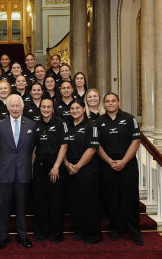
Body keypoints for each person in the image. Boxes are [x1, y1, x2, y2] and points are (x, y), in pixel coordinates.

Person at [96, 93, 143, 246]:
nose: (110, 103)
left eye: (113, 101)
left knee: (130, 198)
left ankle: (134, 231)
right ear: (104, 104)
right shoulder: (98, 122)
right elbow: (97, 146)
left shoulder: (129, 119)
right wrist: (110, 162)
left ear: (118, 102)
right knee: (111, 199)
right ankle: (115, 229)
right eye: (107, 101)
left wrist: (123, 161)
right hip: (107, 166)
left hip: (127, 165)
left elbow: (136, 141)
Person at [0, 94, 36, 249]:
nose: (15, 108)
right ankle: (3, 237)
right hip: (4, 172)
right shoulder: (0, 125)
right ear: (7, 107)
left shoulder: (31, 125)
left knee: (21, 207)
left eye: (17, 105)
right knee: (3, 208)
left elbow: (32, 147)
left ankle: (22, 236)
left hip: (23, 172)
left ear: (22, 106)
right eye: (12, 106)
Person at [64, 99, 101, 245]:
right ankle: (78, 230)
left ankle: (92, 234)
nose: (74, 111)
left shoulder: (91, 125)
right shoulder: (67, 126)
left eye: (77, 108)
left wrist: (77, 166)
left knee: (88, 202)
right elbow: (63, 147)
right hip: (70, 168)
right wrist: (67, 164)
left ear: (83, 108)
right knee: (74, 202)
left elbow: (92, 149)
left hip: (86, 169)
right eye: (72, 108)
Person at [32, 99, 68, 243]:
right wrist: (32, 167)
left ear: (53, 108)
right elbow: (33, 148)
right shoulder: (35, 124)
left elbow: (64, 146)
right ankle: (42, 231)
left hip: (55, 166)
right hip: (39, 165)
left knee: (55, 200)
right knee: (40, 200)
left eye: (48, 107)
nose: (46, 109)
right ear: (40, 108)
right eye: (43, 107)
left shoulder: (60, 123)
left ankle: (56, 233)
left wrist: (56, 166)